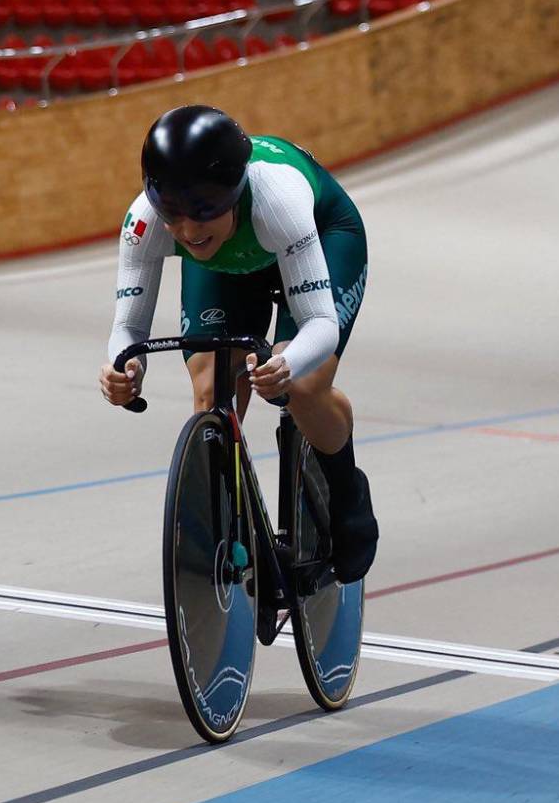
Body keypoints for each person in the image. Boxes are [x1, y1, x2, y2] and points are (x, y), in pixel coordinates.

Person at [102, 105, 377, 584]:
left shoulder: (277, 202)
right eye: (173, 215)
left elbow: (320, 324)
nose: (188, 231)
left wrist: (286, 364)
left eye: (204, 211)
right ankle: (232, 522)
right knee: (211, 389)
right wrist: (122, 369)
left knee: (303, 385)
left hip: (321, 235)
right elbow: (129, 329)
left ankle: (345, 488)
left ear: (233, 194)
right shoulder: (145, 223)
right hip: (232, 262)